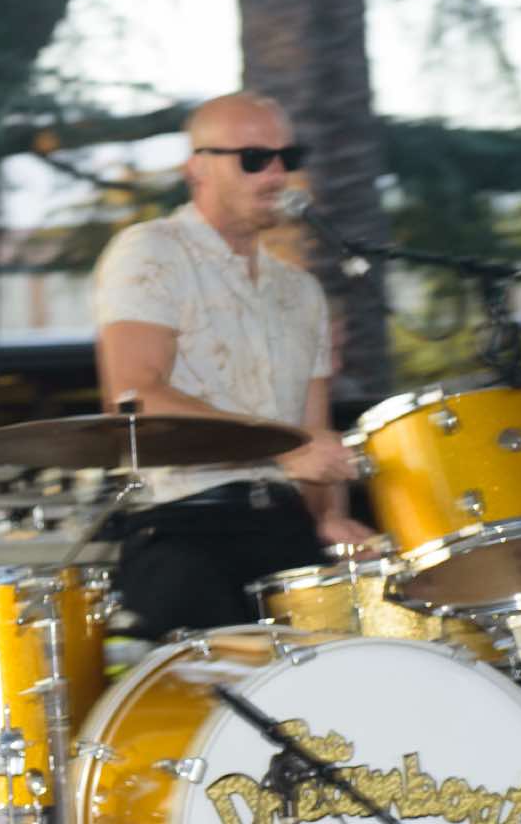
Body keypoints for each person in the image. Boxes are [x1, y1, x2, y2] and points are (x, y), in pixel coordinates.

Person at [92, 91, 379, 639]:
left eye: (288, 157)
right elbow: (134, 397)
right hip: (184, 527)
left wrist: (330, 518)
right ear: (196, 169)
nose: (277, 174)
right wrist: (282, 448)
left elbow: (313, 433)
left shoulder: (302, 291)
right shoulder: (151, 251)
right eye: (254, 158)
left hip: (285, 528)